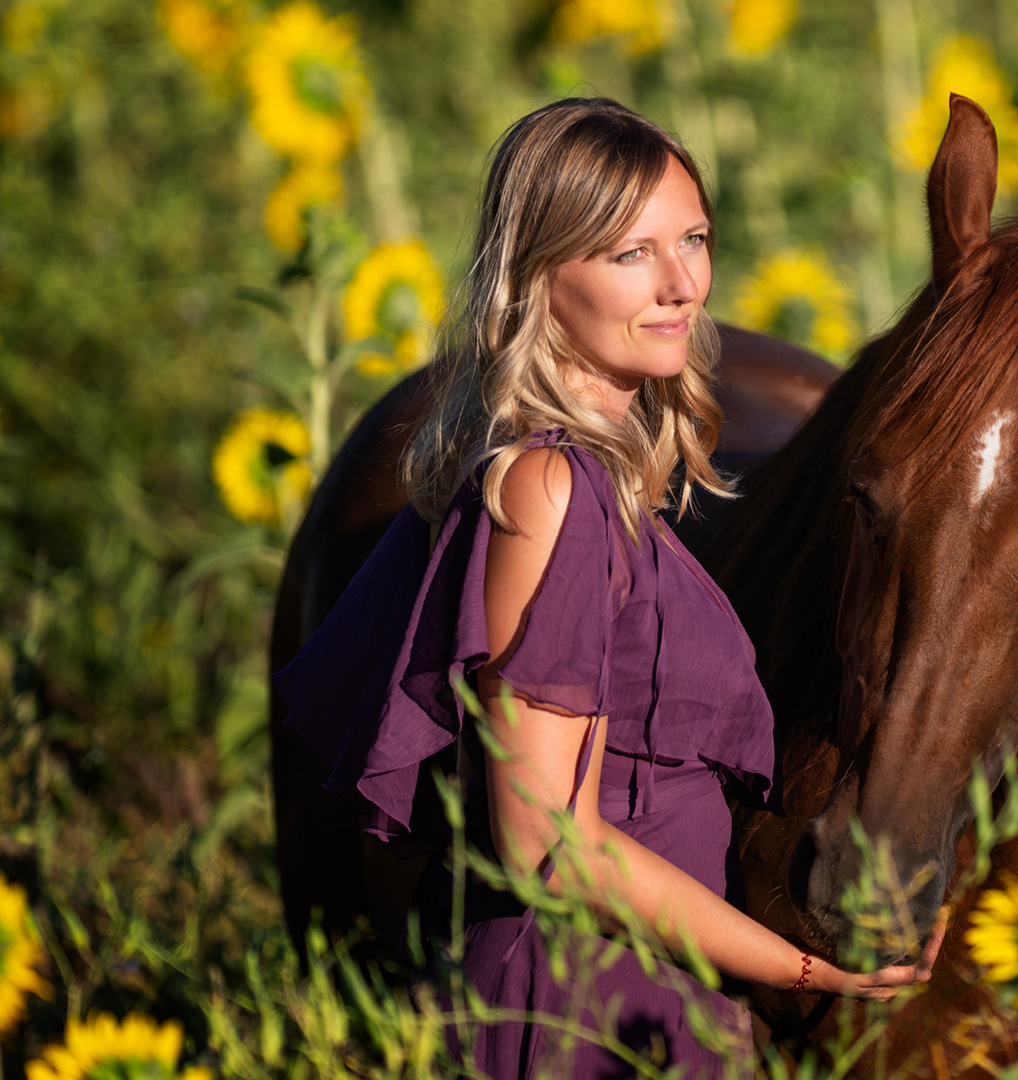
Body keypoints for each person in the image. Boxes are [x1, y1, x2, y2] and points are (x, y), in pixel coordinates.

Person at [274, 97, 940, 1080]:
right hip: (575, 1006)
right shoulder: (555, 489)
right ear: (542, 280)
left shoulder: (600, 486)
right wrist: (795, 968)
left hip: (643, 994)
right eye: (633, 254)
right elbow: (549, 840)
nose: (682, 285)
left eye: (695, 240)